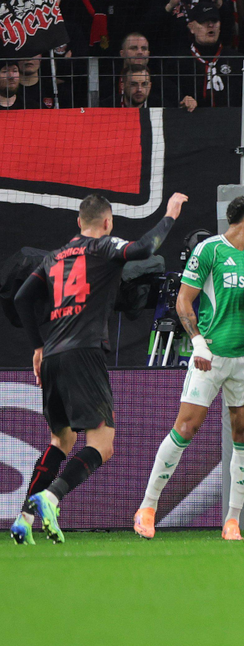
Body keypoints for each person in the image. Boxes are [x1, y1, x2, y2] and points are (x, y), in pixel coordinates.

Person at [9, 193, 183, 545]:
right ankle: (51, 497)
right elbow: (145, 249)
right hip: (84, 354)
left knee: (62, 440)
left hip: (54, 355)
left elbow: (22, 298)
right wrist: (170, 215)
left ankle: (24, 519)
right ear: (106, 223)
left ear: (78, 221)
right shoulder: (102, 247)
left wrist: (38, 346)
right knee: (103, 445)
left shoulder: (55, 257)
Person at [134, 196, 244, 542]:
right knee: (186, 427)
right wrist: (199, 342)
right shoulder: (209, 251)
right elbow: (183, 301)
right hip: (210, 355)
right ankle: (147, 507)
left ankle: (232, 520)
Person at [145, 0, 234, 55]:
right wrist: (170, 5)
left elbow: (228, 31)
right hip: (174, 60)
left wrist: (219, 3)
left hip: (207, 58)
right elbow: (150, 32)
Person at [174, 1, 242, 110]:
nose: (210, 25)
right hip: (191, 122)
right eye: (204, 21)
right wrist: (181, 99)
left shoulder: (237, 60)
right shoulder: (178, 62)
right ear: (191, 27)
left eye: (214, 21)